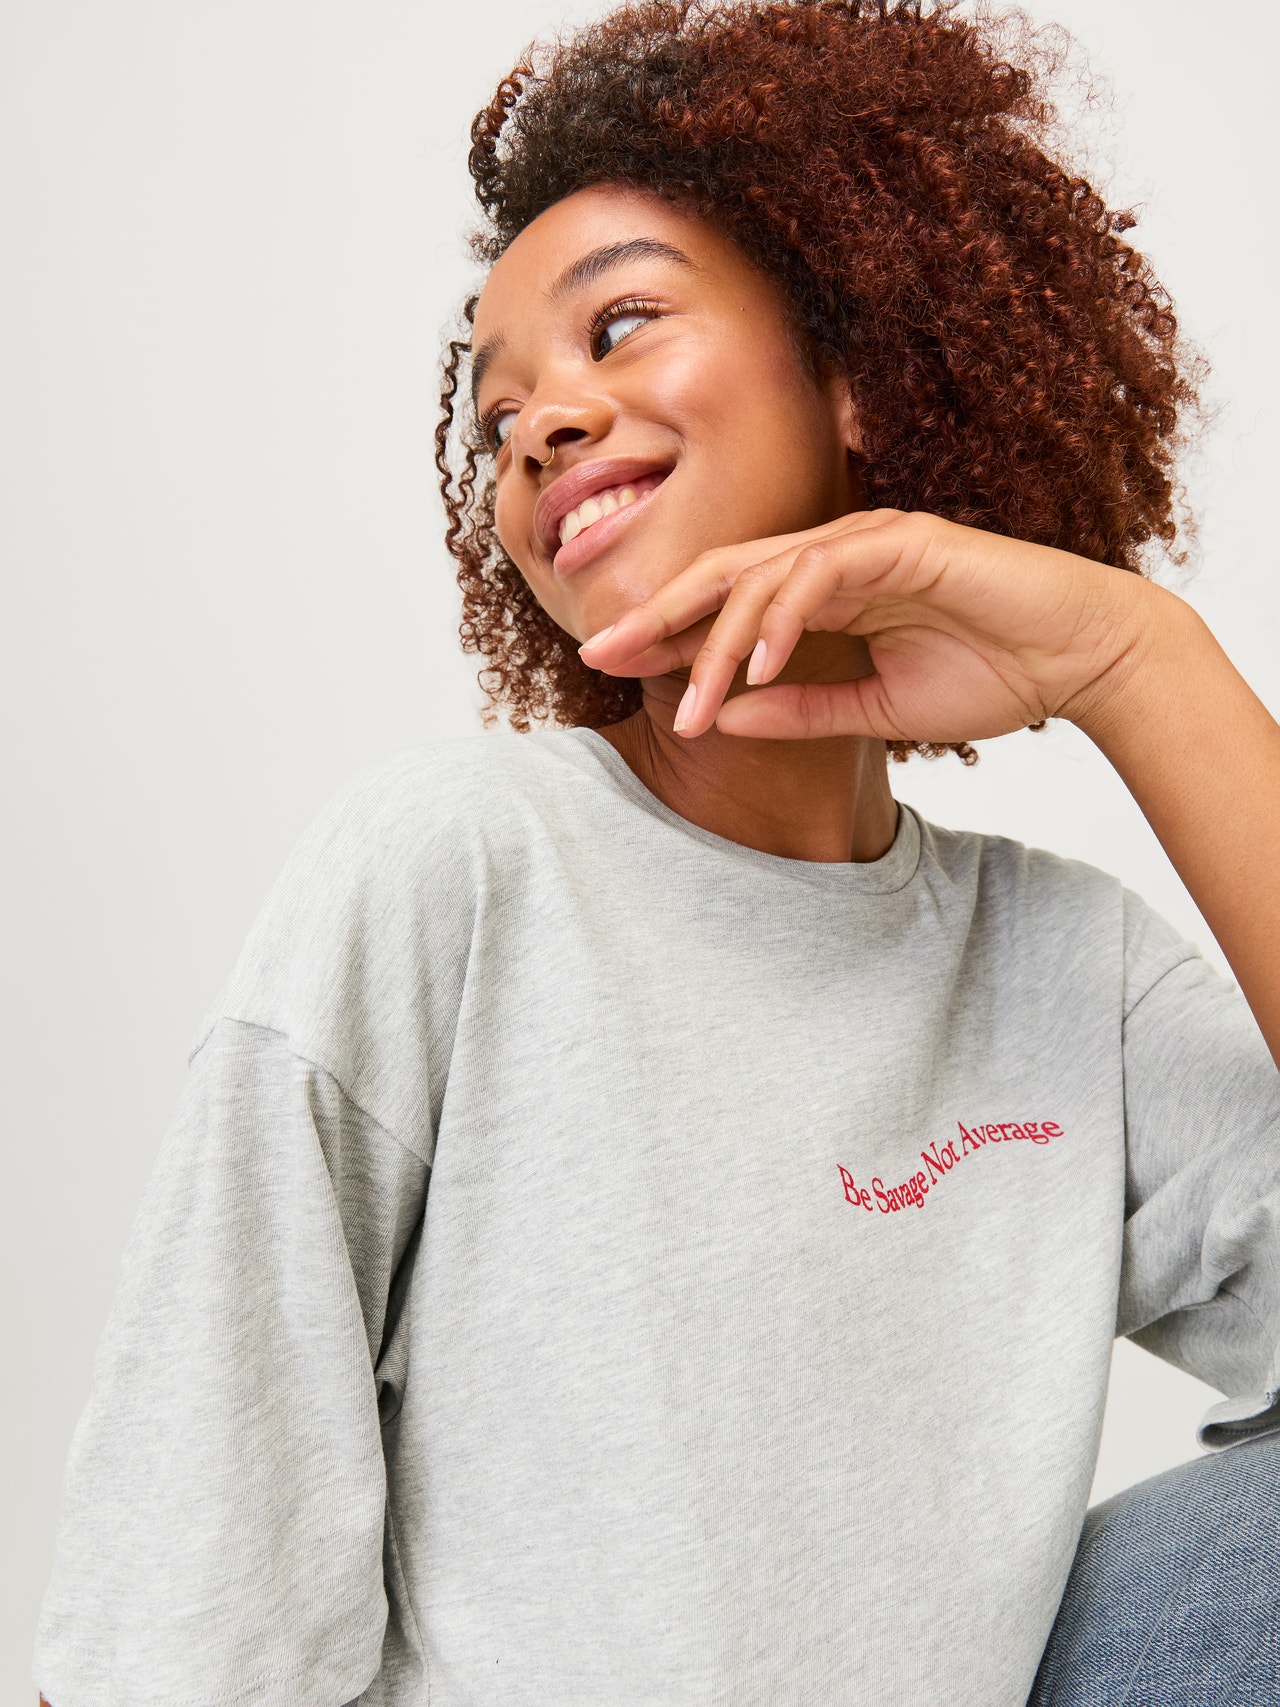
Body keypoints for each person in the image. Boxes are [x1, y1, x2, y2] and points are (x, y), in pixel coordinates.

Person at [33, 2, 1280, 1704]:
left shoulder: (1072, 971)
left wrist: (1137, 663)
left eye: (620, 325)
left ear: (858, 373)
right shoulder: (456, 868)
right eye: (498, 419)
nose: (541, 426)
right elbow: (190, 1565)